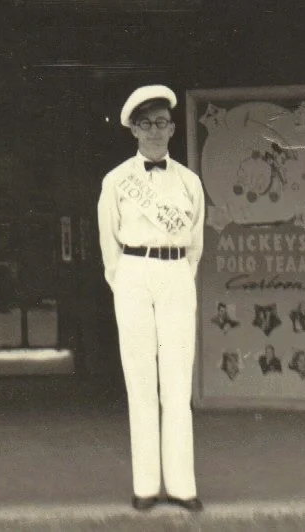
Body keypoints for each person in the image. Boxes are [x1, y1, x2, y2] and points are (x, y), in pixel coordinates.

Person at [98, 84, 205, 514]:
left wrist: (177, 273)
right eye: (146, 125)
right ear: (134, 131)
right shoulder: (117, 181)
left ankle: (181, 485)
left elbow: (195, 241)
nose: (155, 132)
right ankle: (145, 484)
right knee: (140, 380)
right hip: (134, 273)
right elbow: (109, 246)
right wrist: (127, 280)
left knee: (177, 383)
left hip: (176, 270)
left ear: (173, 128)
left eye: (162, 123)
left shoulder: (189, 181)